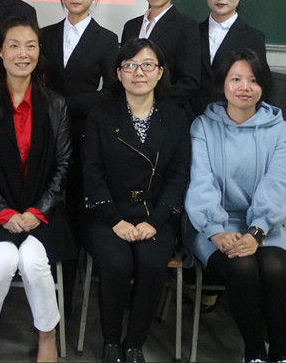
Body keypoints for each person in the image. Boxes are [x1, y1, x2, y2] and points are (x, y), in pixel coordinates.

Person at [0, 17, 76, 363]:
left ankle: (47, 336)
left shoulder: (54, 103)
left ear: (40, 52)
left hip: (43, 211)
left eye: (31, 46)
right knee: (2, 260)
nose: (22, 54)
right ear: (0, 51)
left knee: (33, 260)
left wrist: (38, 211)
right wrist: (3, 211)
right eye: (14, 45)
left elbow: (63, 165)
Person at [83, 38, 191, 363]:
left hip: (155, 215)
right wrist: (115, 220)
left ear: (160, 72)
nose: (138, 72)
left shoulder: (176, 118)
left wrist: (155, 222)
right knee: (117, 263)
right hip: (108, 215)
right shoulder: (101, 115)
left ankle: (134, 344)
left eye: (147, 65)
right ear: (118, 73)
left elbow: (179, 176)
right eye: (129, 65)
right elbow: (91, 172)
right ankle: (111, 342)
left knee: (152, 262)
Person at [184, 49, 286, 363]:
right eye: (236, 79)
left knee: (275, 269)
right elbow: (200, 183)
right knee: (242, 267)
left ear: (264, 86)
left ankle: (281, 355)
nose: (245, 87)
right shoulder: (203, 126)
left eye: (253, 80)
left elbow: (277, 184)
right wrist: (215, 231)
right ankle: (254, 353)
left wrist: (257, 232)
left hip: (265, 226)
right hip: (213, 226)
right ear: (223, 84)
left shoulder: (279, 129)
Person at [42, 0, 119, 251]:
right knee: (44, 193)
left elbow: (112, 90)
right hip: (46, 128)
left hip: (83, 129)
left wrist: (68, 104)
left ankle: (72, 257)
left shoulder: (106, 39)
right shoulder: (44, 35)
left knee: (76, 196)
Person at [121, 0, 199, 117]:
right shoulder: (131, 26)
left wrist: (148, 104)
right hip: (128, 112)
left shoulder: (186, 27)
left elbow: (189, 83)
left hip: (167, 113)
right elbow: (123, 70)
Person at [194, 0, 266, 116]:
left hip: (232, 120)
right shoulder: (191, 32)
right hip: (191, 118)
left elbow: (259, 86)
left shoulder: (253, 38)